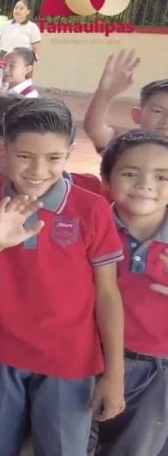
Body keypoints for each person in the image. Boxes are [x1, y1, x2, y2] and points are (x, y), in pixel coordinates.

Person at [0, 98, 126, 455]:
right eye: (25, 156)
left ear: (69, 154)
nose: (38, 169)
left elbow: (107, 294)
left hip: (70, 362)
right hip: (1, 355)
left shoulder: (91, 209)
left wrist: (115, 374)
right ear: (2, 153)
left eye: (54, 158)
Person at [93, 130, 168, 455]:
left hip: (158, 374)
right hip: (87, 362)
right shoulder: (87, 228)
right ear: (106, 178)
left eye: (162, 176)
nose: (145, 184)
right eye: (129, 173)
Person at [83, 49, 168, 153]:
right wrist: (105, 94)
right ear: (137, 115)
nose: (166, 120)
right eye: (157, 111)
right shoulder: (126, 146)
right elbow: (94, 130)